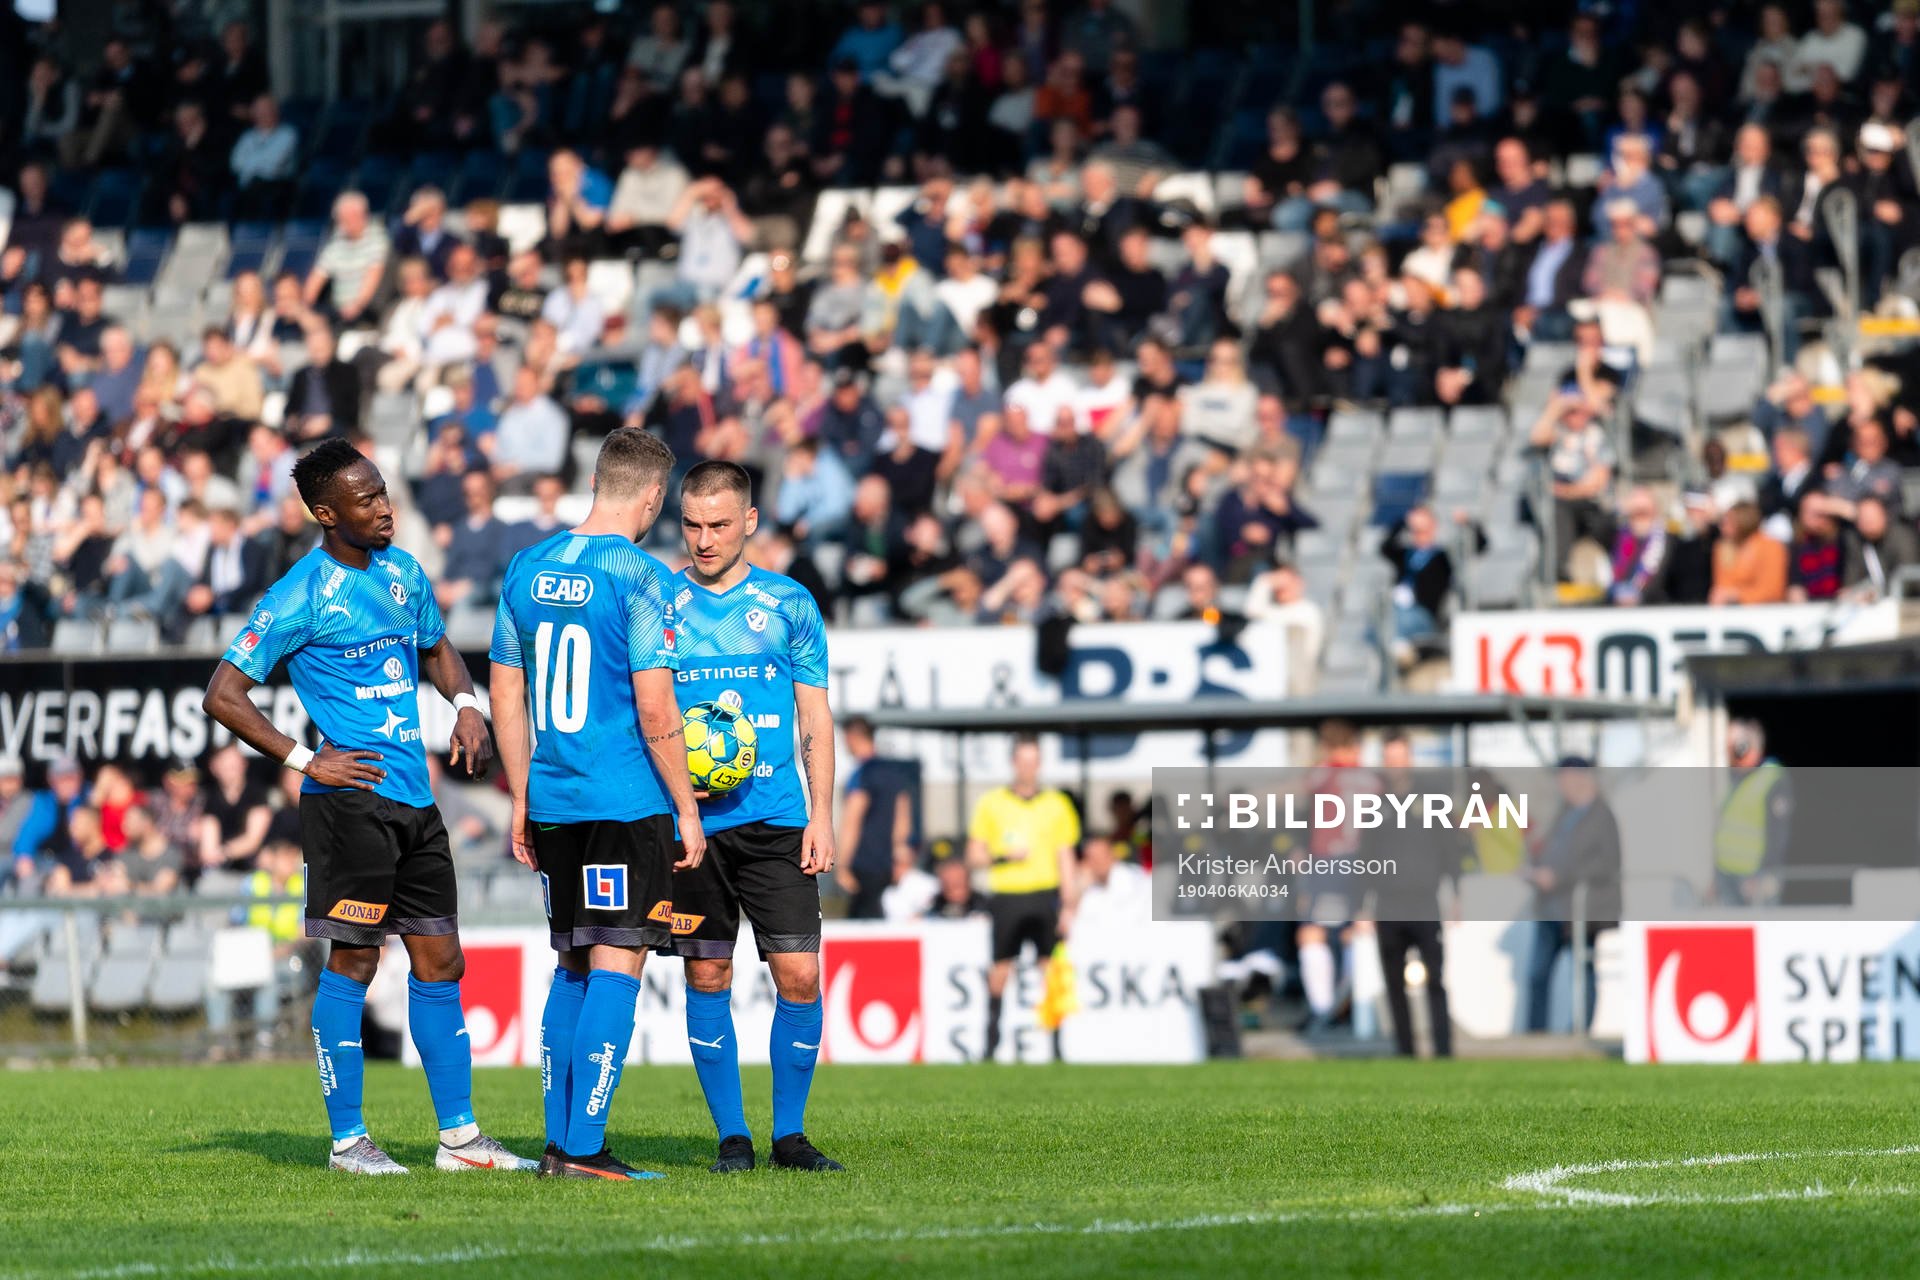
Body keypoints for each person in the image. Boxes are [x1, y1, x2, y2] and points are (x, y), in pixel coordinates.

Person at [200, 438, 532, 1176]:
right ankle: (349, 1141)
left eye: (384, 493)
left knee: (442, 959)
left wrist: (467, 704)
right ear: (326, 513)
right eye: (367, 499)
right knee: (352, 961)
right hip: (349, 803)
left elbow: (438, 649)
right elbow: (222, 695)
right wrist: (303, 757)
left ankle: (460, 1140)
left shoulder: (405, 572)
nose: (385, 508)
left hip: (416, 799)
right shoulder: (298, 594)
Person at [488, 428, 703, 1182]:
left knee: (571, 963)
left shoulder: (524, 566)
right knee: (619, 961)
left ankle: (557, 1143)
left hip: (552, 797)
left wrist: (521, 793)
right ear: (651, 496)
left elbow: (506, 694)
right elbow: (654, 707)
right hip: (623, 798)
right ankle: (584, 1150)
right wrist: (687, 806)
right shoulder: (641, 577)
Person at [670, 461, 843, 1173]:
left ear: (749, 522)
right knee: (707, 976)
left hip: (776, 819)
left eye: (718, 524)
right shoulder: (656, 603)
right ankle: (733, 1138)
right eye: (691, 524)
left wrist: (822, 815)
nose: (704, 539)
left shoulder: (789, 603)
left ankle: (790, 1136)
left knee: (798, 974)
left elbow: (817, 720)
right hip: (689, 829)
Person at [967, 733, 1081, 1061]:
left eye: (1034, 761)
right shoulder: (993, 803)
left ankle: (1058, 1047)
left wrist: (1069, 904)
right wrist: (1002, 855)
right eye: (1023, 761)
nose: (1028, 768)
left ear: (1039, 764)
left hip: (1044, 894)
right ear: (1014, 762)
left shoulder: (1057, 805)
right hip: (1007, 895)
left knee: (1051, 969)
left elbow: (1066, 857)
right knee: (1001, 970)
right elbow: (974, 855)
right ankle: (991, 1045)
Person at [1370, 732, 1456, 1058]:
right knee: (1394, 984)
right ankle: (1405, 1052)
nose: (1395, 765)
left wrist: (1456, 893)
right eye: (1389, 759)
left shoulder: (1433, 799)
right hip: (1388, 905)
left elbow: (1450, 849)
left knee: (1435, 979)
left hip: (1424, 902)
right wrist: (1363, 905)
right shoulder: (1375, 804)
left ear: (1410, 760)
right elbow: (1366, 857)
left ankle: (1443, 1051)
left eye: (1400, 758)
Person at [1523, 759, 1621, 1033]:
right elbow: (1552, 851)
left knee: (1584, 973)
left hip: (1584, 911)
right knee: (1537, 975)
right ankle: (1535, 1036)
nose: (1560, 785)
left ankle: (1579, 1033)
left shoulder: (1602, 816)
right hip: (1551, 909)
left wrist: (1559, 877)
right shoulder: (1563, 814)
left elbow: (1607, 864)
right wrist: (1535, 866)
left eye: (1564, 778)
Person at [836, 714, 916, 919]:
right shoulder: (894, 774)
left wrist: (842, 865)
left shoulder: (862, 774)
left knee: (862, 931)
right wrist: (901, 854)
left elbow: (852, 822)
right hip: (888, 865)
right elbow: (903, 819)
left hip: (864, 865)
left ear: (853, 736)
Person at [1713, 719, 1791, 909]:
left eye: (1733, 747)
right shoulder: (1737, 780)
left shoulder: (1771, 779)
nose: (1728, 754)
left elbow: (1778, 834)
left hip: (1754, 878)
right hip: (1727, 876)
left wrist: (1766, 875)